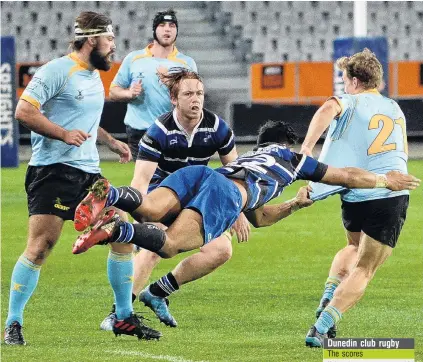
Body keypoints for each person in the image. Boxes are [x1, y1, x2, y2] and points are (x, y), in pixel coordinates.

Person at [72, 120, 418, 273]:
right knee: (169, 245)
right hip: (226, 192)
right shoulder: (291, 159)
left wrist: (294, 204)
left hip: (203, 173)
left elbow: (259, 217)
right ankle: (115, 231)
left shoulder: (254, 157)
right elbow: (345, 175)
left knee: (148, 208)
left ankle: (110, 193)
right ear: (286, 143)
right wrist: (384, 180)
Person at [3, 12, 161, 346]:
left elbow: (83, 120)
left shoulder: (92, 76)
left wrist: (108, 140)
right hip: (53, 172)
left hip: (89, 174)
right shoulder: (57, 70)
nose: (113, 48)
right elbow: (23, 111)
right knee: (41, 247)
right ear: (92, 40)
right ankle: (13, 324)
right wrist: (62, 134)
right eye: (110, 41)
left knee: (123, 233)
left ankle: (122, 317)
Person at [97, 69, 250, 330]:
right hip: (163, 197)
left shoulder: (217, 128)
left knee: (221, 250)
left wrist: (238, 210)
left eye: (199, 93)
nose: (196, 99)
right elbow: (140, 183)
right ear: (174, 99)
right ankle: (118, 313)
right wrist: (143, 222)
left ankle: (157, 293)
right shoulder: (158, 132)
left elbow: (234, 174)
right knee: (154, 247)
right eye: (188, 93)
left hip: (198, 199)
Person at [299, 49, 413, 347]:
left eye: (344, 80)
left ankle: (328, 295)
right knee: (366, 268)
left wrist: (307, 147)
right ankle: (321, 327)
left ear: (353, 81)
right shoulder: (394, 107)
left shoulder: (349, 99)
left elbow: (327, 109)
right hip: (389, 193)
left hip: (354, 193)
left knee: (352, 245)